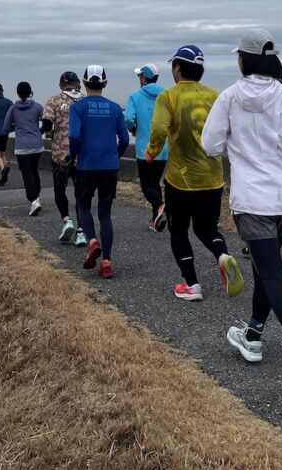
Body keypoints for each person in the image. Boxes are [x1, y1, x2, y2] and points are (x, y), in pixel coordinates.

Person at [202, 28, 282, 404]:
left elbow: (210, 144)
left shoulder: (229, 97)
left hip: (252, 201)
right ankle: (254, 335)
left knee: (272, 274)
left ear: (243, 59)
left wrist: (238, 148)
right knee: (265, 267)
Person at [147, 45, 244, 302]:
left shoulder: (169, 96)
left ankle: (192, 285)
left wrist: (151, 152)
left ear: (178, 68)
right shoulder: (216, 96)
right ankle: (222, 255)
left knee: (179, 230)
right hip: (213, 177)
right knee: (207, 228)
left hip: (182, 179)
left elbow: (158, 129)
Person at [69, 66, 130, 278]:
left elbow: (75, 136)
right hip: (109, 165)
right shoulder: (114, 108)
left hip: (86, 164)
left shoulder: (78, 108)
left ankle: (93, 241)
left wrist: (73, 155)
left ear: (84, 83)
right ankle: (106, 263)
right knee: (105, 213)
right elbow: (124, 139)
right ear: (105, 83)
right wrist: (115, 155)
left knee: (82, 205)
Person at [42, 71, 87, 245]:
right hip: (82, 156)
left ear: (61, 85)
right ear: (78, 84)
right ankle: (82, 232)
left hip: (60, 155)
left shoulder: (54, 101)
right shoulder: (85, 101)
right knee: (81, 194)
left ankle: (67, 220)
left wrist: (49, 133)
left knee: (59, 190)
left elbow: (47, 124)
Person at [125, 63, 168, 231]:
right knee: (155, 183)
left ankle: (159, 205)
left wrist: (133, 129)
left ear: (144, 78)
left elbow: (129, 119)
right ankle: (155, 220)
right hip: (164, 149)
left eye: (139, 76)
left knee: (146, 186)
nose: (139, 79)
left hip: (145, 149)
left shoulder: (135, 96)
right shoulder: (166, 95)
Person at [3, 81, 45, 216]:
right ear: (30, 92)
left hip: (22, 147)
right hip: (37, 145)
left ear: (17, 93)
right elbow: (47, 120)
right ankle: (36, 198)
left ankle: (33, 200)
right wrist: (40, 131)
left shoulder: (13, 108)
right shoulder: (38, 107)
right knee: (34, 171)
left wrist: (17, 127)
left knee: (27, 174)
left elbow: (5, 127)